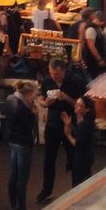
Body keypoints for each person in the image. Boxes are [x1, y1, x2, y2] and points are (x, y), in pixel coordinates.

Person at [36, 58, 86, 204]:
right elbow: (41, 99)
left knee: (74, 157)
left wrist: (66, 98)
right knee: (49, 158)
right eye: (52, 73)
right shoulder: (47, 81)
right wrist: (46, 103)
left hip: (69, 122)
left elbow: (81, 102)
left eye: (57, 74)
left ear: (64, 71)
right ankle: (46, 189)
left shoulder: (74, 81)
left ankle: (76, 189)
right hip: (52, 123)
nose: (54, 76)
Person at [4, 80, 38, 210]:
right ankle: (21, 207)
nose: (36, 97)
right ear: (28, 94)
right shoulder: (22, 108)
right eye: (35, 94)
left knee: (13, 174)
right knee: (22, 180)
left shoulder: (10, 98)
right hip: (23, 143)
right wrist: (33, 115)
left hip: (12, 141)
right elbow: (28, 127)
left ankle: (13, 204)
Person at [61, 96, 96, 187]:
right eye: (76, 104)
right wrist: (68, 125)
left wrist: (68, 135)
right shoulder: (86, 121)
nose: (76, 106)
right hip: (86, 156)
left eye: (80, 105)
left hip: (82, 157)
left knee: (78, 184)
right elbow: (79, 133)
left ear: (87, 109)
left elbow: (77, 143)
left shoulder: (85, 124)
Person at [82, 10, 105, 78]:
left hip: (96, 60)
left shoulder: (97, 28)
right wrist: (99, 59)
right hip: (92, 60)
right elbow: (91, 45)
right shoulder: (91, 29)